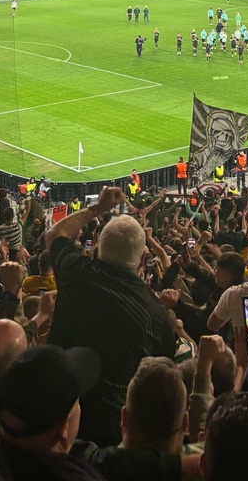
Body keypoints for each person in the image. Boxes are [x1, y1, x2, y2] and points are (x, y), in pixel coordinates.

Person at [44, 185, 176, 447]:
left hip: (54, 413)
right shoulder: (156, 314)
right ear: (141, 263)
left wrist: (97, 209)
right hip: (108, 433)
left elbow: (54, 234)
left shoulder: (75, 272)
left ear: (96, 251)